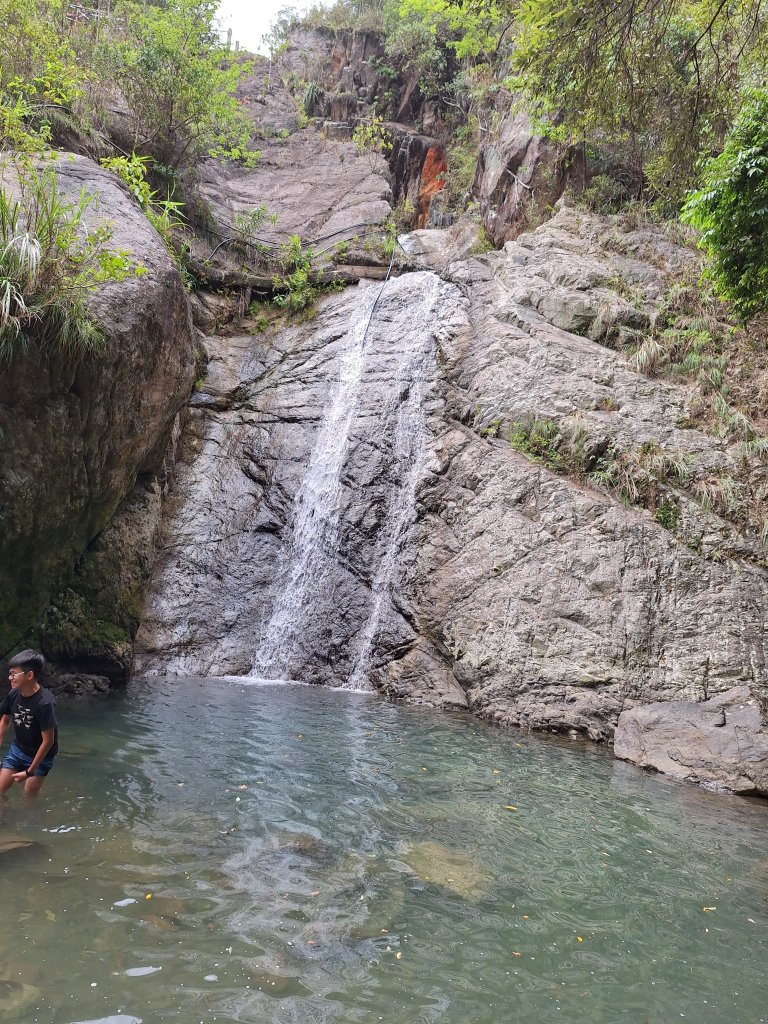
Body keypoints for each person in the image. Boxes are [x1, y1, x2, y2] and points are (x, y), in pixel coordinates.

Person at [0, 649, 58, 797]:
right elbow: (5, 719)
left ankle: (31, 819)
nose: (10, 677)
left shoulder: (44, 703)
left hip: (42, 756)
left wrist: (29, 772)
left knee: (28, 795)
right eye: (10, 673)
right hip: (17, 750)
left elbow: (48, 741)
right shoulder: (14, 693)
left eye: (13, 673)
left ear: (30, 675)